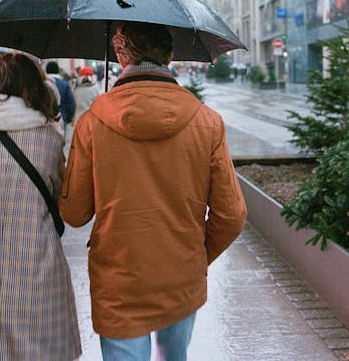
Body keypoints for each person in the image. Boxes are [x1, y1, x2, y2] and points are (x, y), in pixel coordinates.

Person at [59, 22, 247, 360]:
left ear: (120, 55)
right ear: (171, 55)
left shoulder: (92, 122)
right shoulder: (207, 122)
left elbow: (74, 214)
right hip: (181, 273)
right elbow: (232, 216)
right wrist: (195, 256)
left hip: (118, 277)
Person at [0, 53, 81, 360]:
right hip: (38, 265)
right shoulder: (49, 137)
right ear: (35, 87)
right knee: (43, 348)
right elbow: (60, 195)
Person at [45, 61, 76, 133]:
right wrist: (68, 118)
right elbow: (71, 104)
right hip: (61, 118)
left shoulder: (42, 83)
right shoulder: (64, 85)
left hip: (44, 118)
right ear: (57, 71)